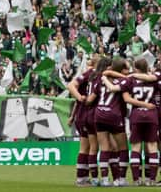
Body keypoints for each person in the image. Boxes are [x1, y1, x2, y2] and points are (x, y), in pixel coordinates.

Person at [105, 58, 159, 186]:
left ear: (136, 68)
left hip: (136, 116)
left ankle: (136, 180)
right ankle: (151, 180)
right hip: (152, 115)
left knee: (136, 147)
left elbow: (118, 91)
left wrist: (105, 78)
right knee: (152, 147)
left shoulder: (130, 80)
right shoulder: (154, 80)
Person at [87, 58, 129, 187]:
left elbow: (90, 100)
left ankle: (105, 179)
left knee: (104, 148)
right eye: (126, 68)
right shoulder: (124, 81)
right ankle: (120, 179)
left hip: (99, 115)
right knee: (123, 148)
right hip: (114, 115)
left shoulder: (100, 79)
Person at [67, 54, 99, 186]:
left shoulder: (92, 74)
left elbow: (76, 99)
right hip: (87, 115)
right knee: (88, 147)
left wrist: (72, 116)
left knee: (86, 147)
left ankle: (83, 177)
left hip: (81, 114)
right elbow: (71, 85)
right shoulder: (90, 74)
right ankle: (83, 178)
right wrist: (80, 97)